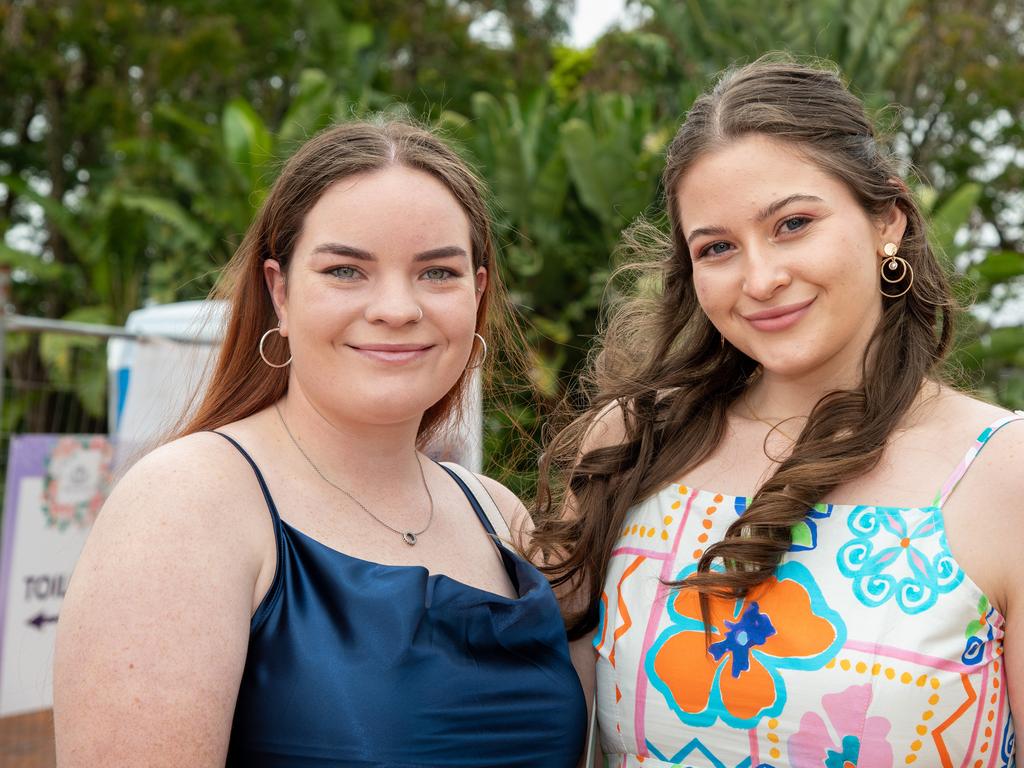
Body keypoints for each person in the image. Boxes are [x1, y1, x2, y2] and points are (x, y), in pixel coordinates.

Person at [532, 58, 1023, 767]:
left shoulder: (1003, 474)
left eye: (792, 224)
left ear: (887, 219)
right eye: (718, 247)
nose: (760, 279)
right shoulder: (633, 445)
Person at [54, 119, 587, 767]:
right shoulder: (188, 501)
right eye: (346, 270)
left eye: (437, 273)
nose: (396, 307)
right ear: (279, 291)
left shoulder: (500, 515)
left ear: (476, 293)